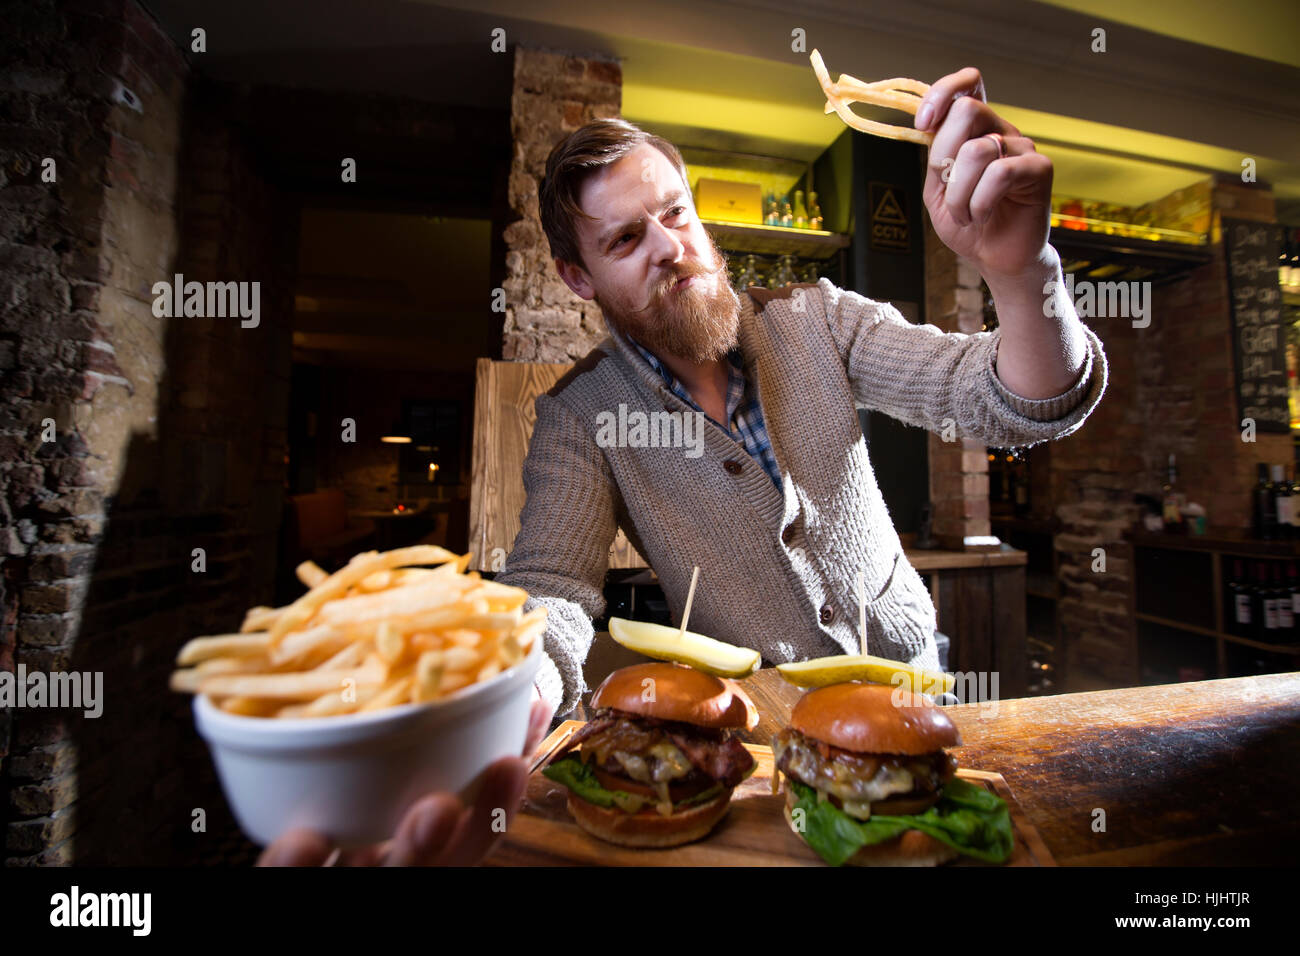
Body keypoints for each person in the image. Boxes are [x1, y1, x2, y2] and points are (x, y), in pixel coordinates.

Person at [498, 67, 1108, 724]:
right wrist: (521, 693)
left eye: (676, 213)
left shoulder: (819, 319)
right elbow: (552, 584)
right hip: (756, 731)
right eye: (624, 239)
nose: (670, 247)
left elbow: (1005, 401)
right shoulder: (582, 415)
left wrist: (1024, 274)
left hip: (911, 693)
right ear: (576, 277)